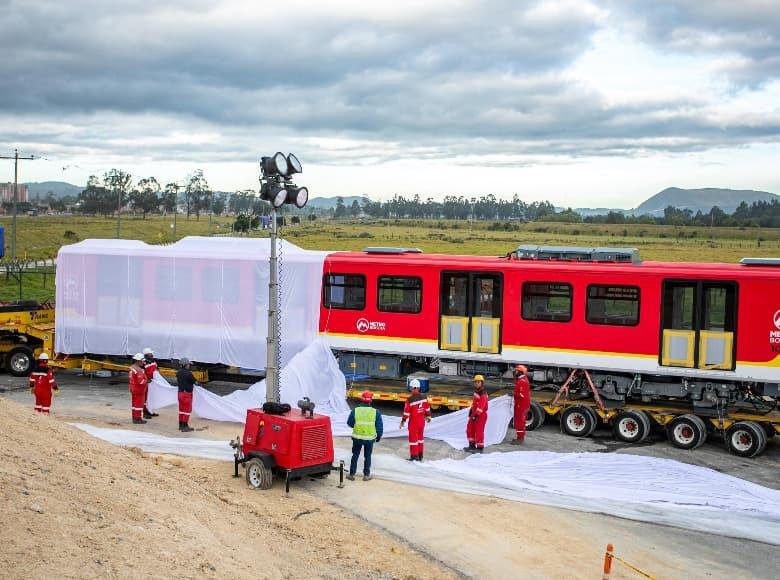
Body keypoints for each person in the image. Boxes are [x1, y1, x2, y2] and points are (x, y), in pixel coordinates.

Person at [346, 390, 383, 481]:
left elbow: (350, 423)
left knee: (355, 455)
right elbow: (379, 427)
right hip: (369, 439)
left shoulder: (355, 410)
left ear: (361, 399)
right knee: (368, 456)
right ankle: (366, 475)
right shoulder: (375, 412)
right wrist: (378, 436)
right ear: (370, 401)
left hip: (357, 438)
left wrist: (358, 426)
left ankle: (351, 474)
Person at [400, 379, 431, 461]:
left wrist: (403, 421)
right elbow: (427, 408)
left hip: (414, 423)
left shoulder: (410, 400)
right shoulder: (424, 397)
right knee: (420, 439)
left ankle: (414, 456)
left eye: (411, 388)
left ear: (414, 388)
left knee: (413, 440)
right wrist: (428, 416)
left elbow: (406, 413)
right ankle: (420, 455)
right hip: (422, 422)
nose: (410, 389)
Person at [464, 374, 489, 453]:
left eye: (478, 382)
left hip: (480, 415)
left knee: (479, 431)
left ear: (482, 383)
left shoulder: (483, 393)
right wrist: (471, 410)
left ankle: (480, 448)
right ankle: (471, 445)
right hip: (474, 414)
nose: (477, 383)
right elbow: (475, 403)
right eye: (476, 382)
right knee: (469, 429)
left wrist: (476, 415)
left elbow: (481, 406)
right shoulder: (476, 391)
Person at [175, 358, 197, 432]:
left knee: (181, 410)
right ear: (185, 365)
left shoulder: (178, 372)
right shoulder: (188, 373)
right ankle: (185, 426)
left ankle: (180, 425)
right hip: (187, 394)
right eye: (188, 364)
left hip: (180, 393)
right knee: (187, 410)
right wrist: (199, 384)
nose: (189, 365)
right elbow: (195, 382)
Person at [512, 365, 531, 444]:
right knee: (519, 421)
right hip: (521, 404)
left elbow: (521, 395)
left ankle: (520, 438)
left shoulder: (522, 381)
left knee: (520, 422)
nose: (515, 372)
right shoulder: (521, 380)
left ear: (520, 372)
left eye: (516, 371)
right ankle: (519, 437)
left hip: (521, 405)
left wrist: (513, 394)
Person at [128, 353, 148, 424]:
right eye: (143, 361)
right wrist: (147, 381)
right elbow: (141, 382)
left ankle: (134, 417)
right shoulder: (139, 370)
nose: (144, 362)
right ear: (138, 361)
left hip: (133, 388)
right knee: (139, 405)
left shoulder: (132, 367)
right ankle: (137, 419)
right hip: (139, 390)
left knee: (134, 404)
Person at [142, 347, 159, 419]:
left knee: (151, 397)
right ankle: (145, 413)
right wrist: (146, 380)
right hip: (147, 383)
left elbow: (156, 369)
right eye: (150, 353)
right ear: (147, 354)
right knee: (145, 398)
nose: (152, 354)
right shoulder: (143, 363)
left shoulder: (153, 361)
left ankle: (150, 411)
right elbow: (142, 373)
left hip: (153, 382)